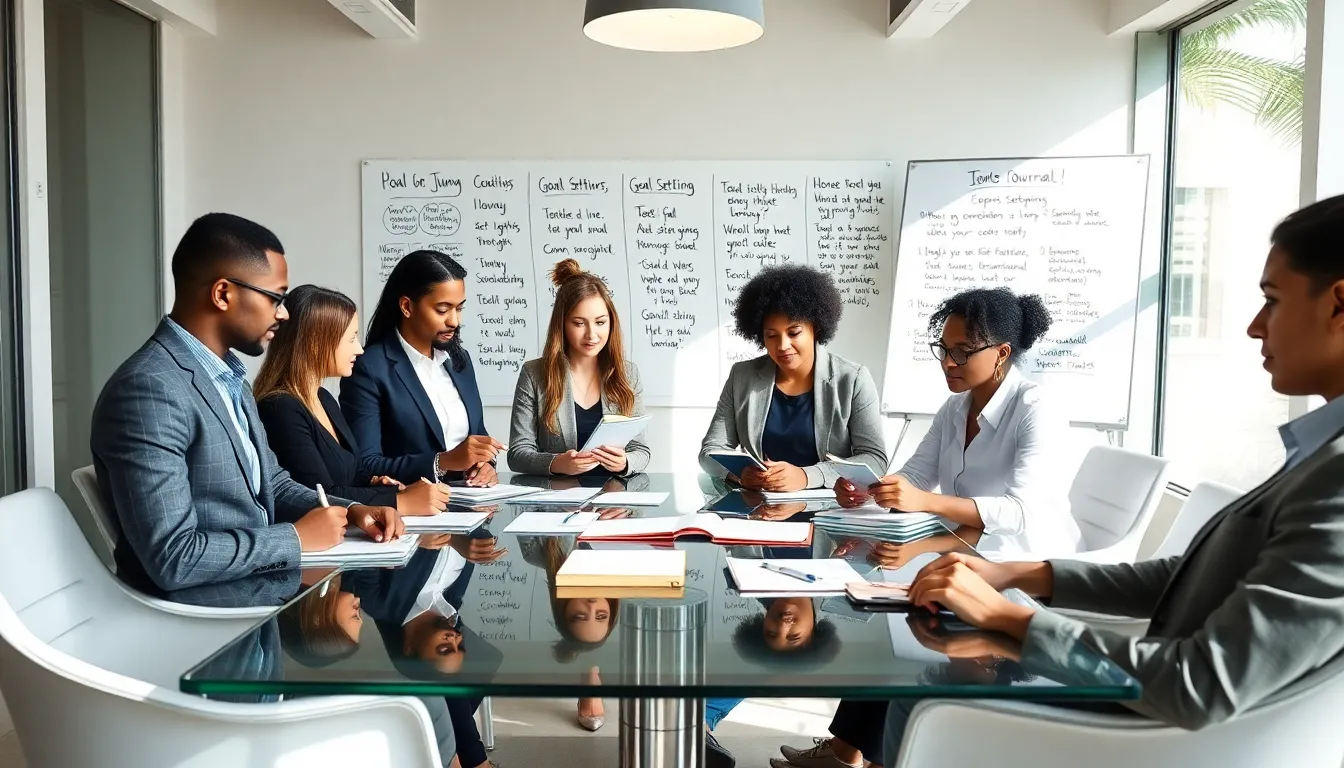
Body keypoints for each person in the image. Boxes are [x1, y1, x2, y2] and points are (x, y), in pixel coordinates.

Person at [875, 194, 1344, 764]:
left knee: (919, 699)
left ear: (1339, 303)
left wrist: (1007, 614)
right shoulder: (1319, 455)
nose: (1252, 326)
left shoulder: (1336, 479)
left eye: (1271, 300)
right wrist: (1015, 573)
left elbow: (1204, 684)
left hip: (1163, 729)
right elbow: (1187, 576)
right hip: (1152, 695)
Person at [91, 213, 403, 597]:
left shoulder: (228, 377)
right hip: (205, 620)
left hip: (258, 594)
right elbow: (173, 558)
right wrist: (294, 539)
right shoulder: (148, 390)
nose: (284, 313)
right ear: (223, 294)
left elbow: (271, 483)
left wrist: (350, 511)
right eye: (276, 297)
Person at [836, 287, 1082, 556]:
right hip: (963, 551)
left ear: (1001, 353)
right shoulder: (954, 407)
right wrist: (871, 490)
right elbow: (917, 475)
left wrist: (926, 502)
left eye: (962, 352)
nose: (947, 363)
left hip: (1025, 561)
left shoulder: (1037, 410)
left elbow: (1019, 513)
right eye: (944, 349)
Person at [254, 284, 451, 516]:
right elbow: (317, 495)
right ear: (316, 342)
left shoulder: (323, 398)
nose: (359, 349)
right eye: (351, 339)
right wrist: (399, 500)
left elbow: (351, 471)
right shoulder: (280, 409)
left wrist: (375, 482)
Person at [700, 265, 888, 492]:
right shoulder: (742, 376)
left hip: (829, 509)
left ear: (815, 328)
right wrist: (738, 473)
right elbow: (710, 451)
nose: (782, 346)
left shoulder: (853, 379)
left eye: (794, 332)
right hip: (762, 509)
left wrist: (807, 476)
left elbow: (875, 460)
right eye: (771, 335)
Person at [340, 250, 503, 488]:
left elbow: (477, 439)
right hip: (410, 513)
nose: (454, 321)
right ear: (407, 306)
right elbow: (364, 465)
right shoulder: (368, 369)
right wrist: (441, 462)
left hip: (469, 506)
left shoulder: (460, 361)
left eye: (459, 308)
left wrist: (485, 465)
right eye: (442, 309)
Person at [508, 258, 650, 477]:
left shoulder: (628, 374)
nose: (592, 335)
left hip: (613, 502)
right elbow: (517, 454)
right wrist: (556, 463)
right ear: (562, 324)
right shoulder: (534, 374)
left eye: (600, 322)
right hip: (555, 501)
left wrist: (624, 463)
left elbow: (640, 451)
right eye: (579, 323)